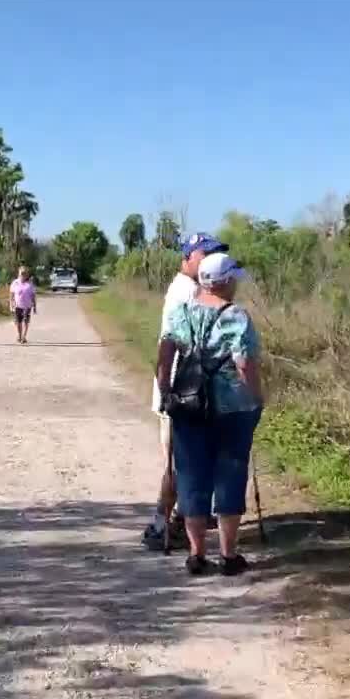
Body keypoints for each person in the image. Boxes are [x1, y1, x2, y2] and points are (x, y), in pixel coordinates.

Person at [156, 252, 263, 576]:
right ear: (225, 281)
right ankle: (229, 555)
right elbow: (245, 365)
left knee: (192, 476)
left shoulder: (181, 311)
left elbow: (164, 354)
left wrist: (165, 390)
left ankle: (196, 553)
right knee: (230, 473)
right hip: (233, 407)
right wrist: (257, 397)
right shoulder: (237, 317)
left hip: (188, 405)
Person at [141, 233, 230, 552]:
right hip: (183, 389)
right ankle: (160, 524)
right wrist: (167, 389)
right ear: (188, 258)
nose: (208, 259)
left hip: (189, 387)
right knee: (180, 461)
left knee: (187, 458)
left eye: (215, 254)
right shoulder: (187, 290)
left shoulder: (188, 287)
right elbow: (170, 346)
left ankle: (184, 516)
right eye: (204, 254)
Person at [10, 266, 38, 344]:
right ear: (19, 274)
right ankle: (19, 335)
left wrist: (35, 306)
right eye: (21, 273)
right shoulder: (15, 283)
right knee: (18, 322)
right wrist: (11, 303)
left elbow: (33, 296)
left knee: (26, 321)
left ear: (27, 275)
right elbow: (12, 294)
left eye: (24, 273)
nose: (23, 275)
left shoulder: (30, 284)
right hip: (18, 306)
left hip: (27, 306)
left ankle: (24, 337)